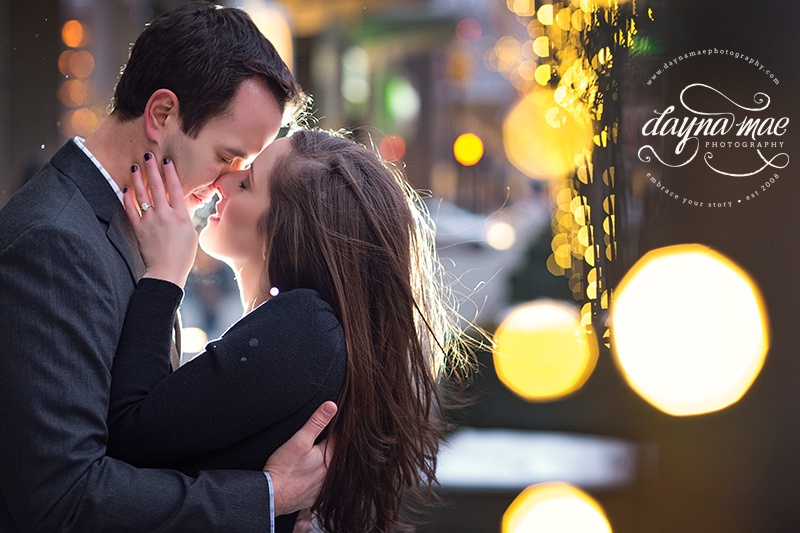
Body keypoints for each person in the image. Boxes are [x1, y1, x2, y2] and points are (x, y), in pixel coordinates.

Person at [0, 3, 335, 531]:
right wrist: (263, 497)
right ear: (161, 115)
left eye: (245, 169)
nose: (226, 184)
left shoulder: (140, 226)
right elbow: (61, 496)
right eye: (227, 156)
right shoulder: (54, 243)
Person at [105, 128, 474, 532]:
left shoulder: (305, 329)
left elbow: (128, 436)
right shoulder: (304, 328)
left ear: (286, 228)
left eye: (246, 183)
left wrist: (163, 275)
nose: (224, 181)